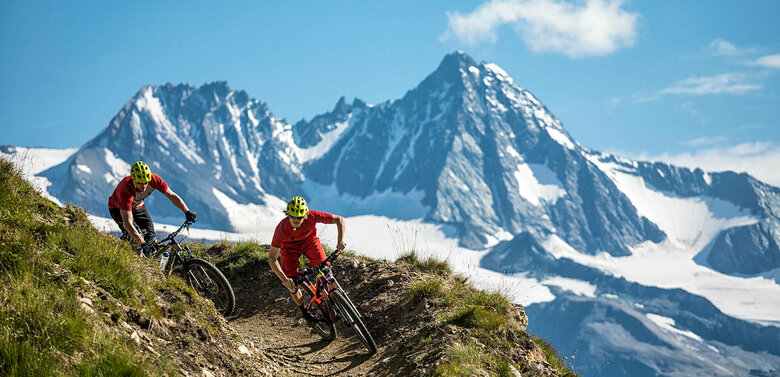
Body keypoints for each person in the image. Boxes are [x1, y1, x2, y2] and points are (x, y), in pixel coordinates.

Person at [268, 196, 346, 322]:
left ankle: (337, 301)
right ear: (288, 214)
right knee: (292, 284)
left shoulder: (312, 216)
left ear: (305, 215)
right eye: (292, 216)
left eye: (299, 217)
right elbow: (272, 258)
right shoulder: (282, 228)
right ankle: (305, 311)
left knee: (325, 270)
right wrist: (284, 279)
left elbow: (339, 220)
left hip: (310, 242)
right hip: (289, 249)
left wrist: (340, 241)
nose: (295, 219)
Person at [108, 161, 196, 254]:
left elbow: (172, 195)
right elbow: (128, 223)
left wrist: (186, 211)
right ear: (133, 180)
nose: (144, 186)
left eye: (146, 182)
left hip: (138, 205)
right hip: (118, 209)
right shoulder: (126, 190)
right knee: (136, 239)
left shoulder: (154, 180)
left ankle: (150, 259)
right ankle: (130, 258)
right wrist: (141, 242)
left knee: (151, 239)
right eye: (140, 183)